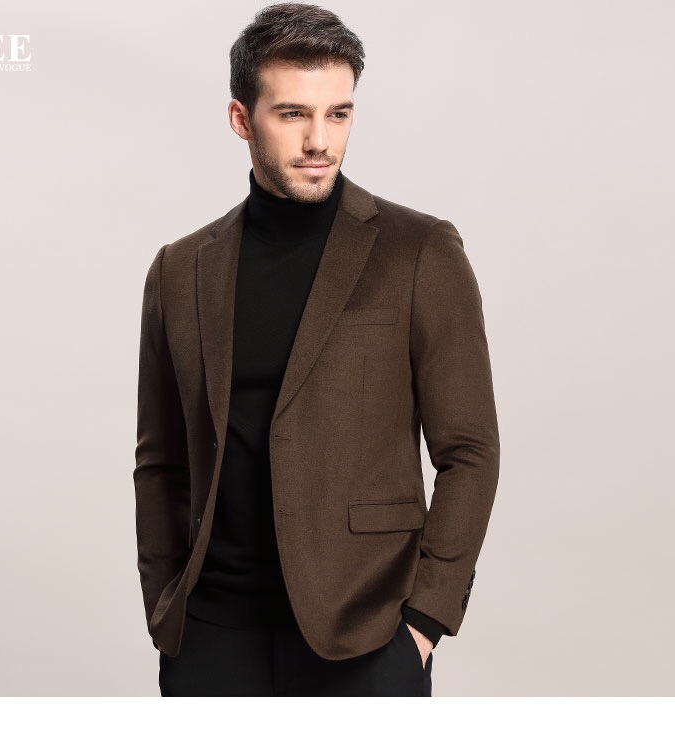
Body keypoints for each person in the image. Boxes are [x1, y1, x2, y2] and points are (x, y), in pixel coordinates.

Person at [133, 1, 500, 697]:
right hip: (212, 634)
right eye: (293, 114)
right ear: (242, 119)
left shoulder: (418, 251)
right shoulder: (180, 270)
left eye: (338, 114)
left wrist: (426, 619)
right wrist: (165, 605)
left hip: (367, 633)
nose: (319, 141)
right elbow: (161, 460)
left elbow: (471, 450)